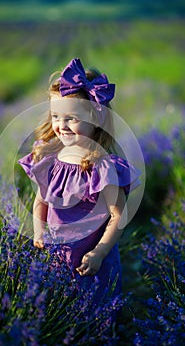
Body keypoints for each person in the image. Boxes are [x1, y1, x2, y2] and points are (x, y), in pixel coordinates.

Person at [18, 58, 141, 303]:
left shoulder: (102, 166)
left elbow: (119, 215)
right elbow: (40, 201)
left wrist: (99, 251)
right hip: (58, 258)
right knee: (60, 310)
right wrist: (39, 231)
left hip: (93, 262)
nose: (61, 126)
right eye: (56, 116)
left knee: (95, 313)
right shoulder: (50, 158)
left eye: (71, 119)